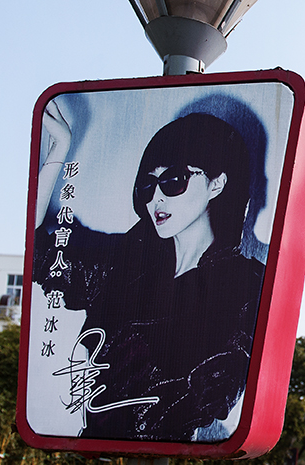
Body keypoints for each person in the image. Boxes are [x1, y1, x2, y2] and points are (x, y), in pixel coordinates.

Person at [32, 101, 266, 442]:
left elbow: (217, 396)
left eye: (174, 180)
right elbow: (39, 252)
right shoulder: (124, 264)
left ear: (216, 184)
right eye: (148, 185)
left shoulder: (248, 285)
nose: (156, 198)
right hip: (95, 449)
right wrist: (59, 149)